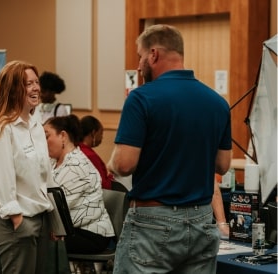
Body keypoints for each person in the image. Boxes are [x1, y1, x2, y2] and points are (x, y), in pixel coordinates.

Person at [108, 24, 231, 273]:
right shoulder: (217, 102)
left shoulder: (141, 98)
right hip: (201, 223)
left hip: (152, 224)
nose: (139, 65)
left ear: (153, 54)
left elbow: (124, 165)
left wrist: (110, 164)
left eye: (141, 56)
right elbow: (222, 165)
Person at [0, 60, 54, 273]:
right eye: (28, 84)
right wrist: (18, 221)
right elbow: (0, 181)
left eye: (36, 82)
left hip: (40, 220)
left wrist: (54, 219)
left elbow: (45, 177)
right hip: (16, 224)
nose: (36, 88)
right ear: (12, 90)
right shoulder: (2, 130)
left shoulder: (36, 126)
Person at [44, 115, 115, 254]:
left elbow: (55, 208)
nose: (42, 142)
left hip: (90, 234)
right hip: (71, 229)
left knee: (33, 240)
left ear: (63, 136)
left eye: (46, 136)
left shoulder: (76, 165)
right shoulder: (54, 162)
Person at [79, 115, 113, 190]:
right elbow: (104, 185)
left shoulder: (76, 149)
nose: (102, 137)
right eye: (101, 133)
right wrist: (112, 175)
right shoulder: (90, 156)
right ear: (93, 133)